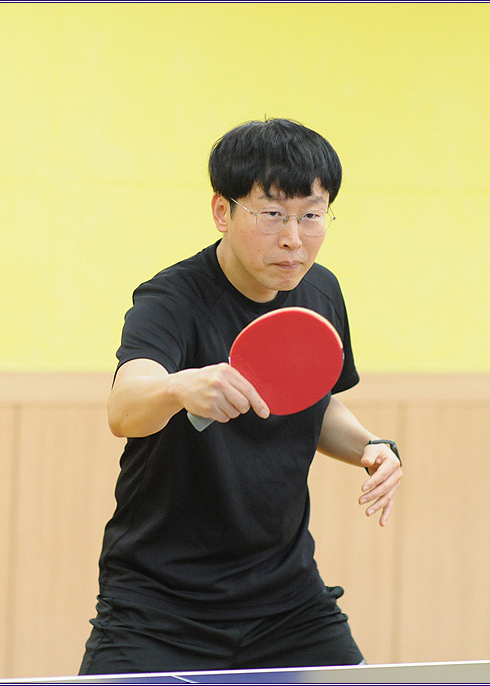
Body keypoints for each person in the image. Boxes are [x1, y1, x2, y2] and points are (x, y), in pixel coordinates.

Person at [79, 118, 403, 676]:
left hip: (288, 603)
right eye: (272, 214)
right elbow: (125, 407)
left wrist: (370, 447)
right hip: (159, 605)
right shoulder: (172, 298)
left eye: (311, 215)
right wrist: (179, 387)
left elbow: (315, 401)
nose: (293, 237)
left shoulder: (320, 291)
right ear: (222, 211)